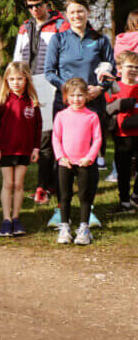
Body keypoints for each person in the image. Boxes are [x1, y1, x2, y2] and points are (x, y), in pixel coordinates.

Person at [44, 0, 114, 228]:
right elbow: (49, 72)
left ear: (88, 12)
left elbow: (109, 69)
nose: (77, 15)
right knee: (61, 157)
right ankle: (60, 209)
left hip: (93, 104)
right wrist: (70, 90)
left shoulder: (101, 40)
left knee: (90, 159)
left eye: (81, 10)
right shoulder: (58, 39)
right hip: (65, 105)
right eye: (72, 11)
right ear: (66, 15)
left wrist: (100, 87)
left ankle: (88, 208)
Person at [13, 0, 69, 204]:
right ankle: (51, 183)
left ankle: (43, 186)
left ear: (47, 3)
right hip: (30, 83)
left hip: (52, 84)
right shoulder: (25, 27)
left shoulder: (60, 24)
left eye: (38, 5)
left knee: (48, 136)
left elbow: (66, 54)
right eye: (30, 6)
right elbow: (18, 58)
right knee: (37, 136)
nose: (35, 9)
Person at [0, 62, 42, 237]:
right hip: (6, 149)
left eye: (19, 78)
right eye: (11, 79)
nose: (16, 82)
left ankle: (16, 218)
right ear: (6, 81)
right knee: (8, 184)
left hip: (25, 150)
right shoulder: (0, 100)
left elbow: (38, 127)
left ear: (26, 80)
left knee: (19, 184)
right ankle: (6, 219)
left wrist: (36, 148)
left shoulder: (32, 102)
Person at [52, 78, 103, 245]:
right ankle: (65, 227)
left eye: (80, 95)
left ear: (87, 96)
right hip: (65, 162)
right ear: (66, 97)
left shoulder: (92, 116)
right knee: (65, 195)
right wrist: (61, 157)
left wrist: (89, 157)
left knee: (85, 196)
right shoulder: (61, 116)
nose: (76, 99)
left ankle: (84, 228)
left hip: (84, 163)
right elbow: (56, 138)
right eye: (72, 95)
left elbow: (97, 139)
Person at [106, 51, 138, 213]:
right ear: (120, 67)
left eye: (136, 67)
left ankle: (136, 196)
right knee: (123, 170)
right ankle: (124, 202)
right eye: (129, 66)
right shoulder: (114, 87)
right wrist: (119, 104)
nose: (133, 70)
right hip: (121, 135)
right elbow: (106, 109)